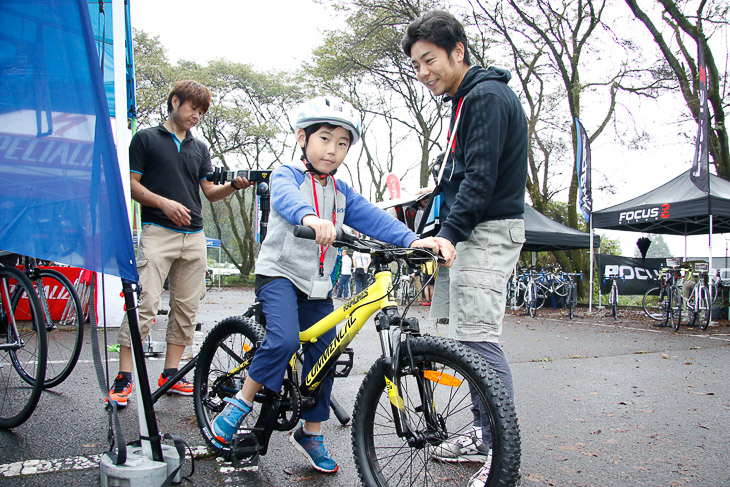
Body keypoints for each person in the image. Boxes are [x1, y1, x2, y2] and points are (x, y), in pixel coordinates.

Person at [210, 96, 440, 474]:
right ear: (303, 138)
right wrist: (310, 217)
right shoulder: (286, 174)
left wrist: (413, 242)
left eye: (342, 143)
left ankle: (310, 432)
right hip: (280, 276)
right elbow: (284, 200)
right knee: (283, 341)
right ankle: (240, 403)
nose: (333, 150)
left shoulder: (342, 191)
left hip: (317, 286)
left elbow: (375, 219)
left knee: (327, 351)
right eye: (325, 139)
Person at [403, 10, 528, 483]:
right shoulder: (467, 100)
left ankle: (500, 452)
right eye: (416, 65)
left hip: (485, 231)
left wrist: (450, 234)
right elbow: (461, 177)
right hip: (470, 230)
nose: (423, 73)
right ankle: (480, 433)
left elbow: (481, 177)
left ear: (458, 51)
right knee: (466, 343)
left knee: (480, 342)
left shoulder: (487, 97)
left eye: (429, 60)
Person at [108, 80, 252, 408]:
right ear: (175, 101)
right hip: (157, 231)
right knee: (145, 304)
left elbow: (209, 192)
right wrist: (164, 203)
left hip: (195, 236)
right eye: (192, 108)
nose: (196, 116)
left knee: (186, 309)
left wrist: (234, 186)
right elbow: (131, 185)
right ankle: (125, 376)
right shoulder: (145, 139)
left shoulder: (200, 148)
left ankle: (170, 375)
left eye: (202, 112)